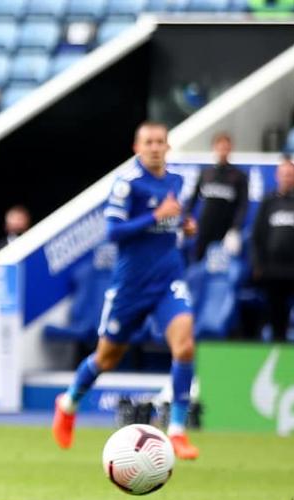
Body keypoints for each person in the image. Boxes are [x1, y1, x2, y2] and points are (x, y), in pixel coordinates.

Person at [52, 121, 201, 460]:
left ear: (167, 147)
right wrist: (155, 216)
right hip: (131, 287)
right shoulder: (126, 184)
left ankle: (176, 432)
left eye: (160, 141)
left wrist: (187, 227)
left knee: (185, 346)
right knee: (107, 358)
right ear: (137, 147)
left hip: (167, 281)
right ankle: (68, 402)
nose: (154, 147)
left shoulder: (177, 182)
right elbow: (113, 232)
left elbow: (175, 224)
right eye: (148, 142)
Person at [250, 159, 294, 342]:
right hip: (273, 270)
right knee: (276, 317)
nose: (287, 178)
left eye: (290, 174)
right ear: (277, 176)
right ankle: (278, 359)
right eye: (283, 174)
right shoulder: (268, 201)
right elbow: (257, 235)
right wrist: (258, 264)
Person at [184, 132, 248, 262]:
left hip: (225, 228)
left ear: (230, 149)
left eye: (226, 147)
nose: (222, 151)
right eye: (220, 147)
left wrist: (235, 229)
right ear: (214, 148)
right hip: (205, 226)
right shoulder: (206, 173)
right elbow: (193, 198)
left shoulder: (239, 175)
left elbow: (243, 205)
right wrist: (186, 217)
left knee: (221, 265)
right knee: (199, 260)